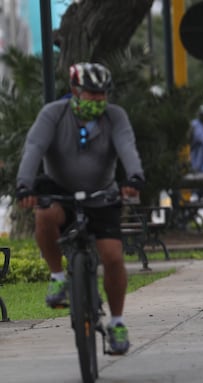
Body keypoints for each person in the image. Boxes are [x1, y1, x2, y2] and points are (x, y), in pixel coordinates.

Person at [15, 62, 144, 355]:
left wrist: (134, 177)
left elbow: (127, 147)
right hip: (61, 191)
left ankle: (118, 323)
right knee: (45, 214)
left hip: (102, 194)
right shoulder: (53, 114)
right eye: (91, 94)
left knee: (112, 257)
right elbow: (33, 147)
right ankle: (58, 278)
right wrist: (24, 185)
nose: (98, 100)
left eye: (102, 94)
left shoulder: (115, 117)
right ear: (75, 90)